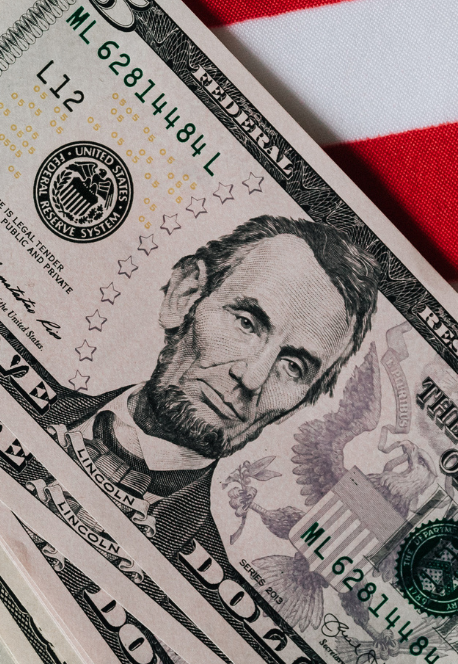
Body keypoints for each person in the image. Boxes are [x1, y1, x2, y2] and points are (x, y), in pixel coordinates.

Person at [45, 215, 382, 556]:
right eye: (246, 323)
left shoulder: (202, 583)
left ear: (302, 401)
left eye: (293, 367)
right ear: (185, 296)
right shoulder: (19, 394)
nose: (252, 378)